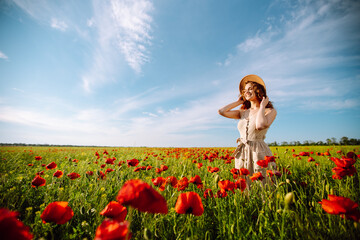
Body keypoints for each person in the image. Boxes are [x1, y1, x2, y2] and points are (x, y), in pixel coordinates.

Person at [218, 74, 277, 188]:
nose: (246, 92)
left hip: (258, 150)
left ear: (259, 91)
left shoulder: (269, 111)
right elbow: (221, 111)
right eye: (245, 91)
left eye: (250, 89)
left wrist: (262, 106)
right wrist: (239, 102)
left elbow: (260, 125)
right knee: (243, 184)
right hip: (242, 151)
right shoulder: (243, 112)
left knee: (262, 183)